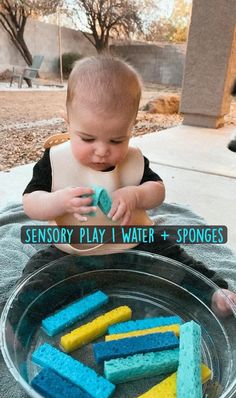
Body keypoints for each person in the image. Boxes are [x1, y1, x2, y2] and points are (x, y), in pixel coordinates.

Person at [23, 55, 236, 317]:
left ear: (130, 129)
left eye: (116, 140)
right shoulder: (56, 160)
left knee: (173, 256)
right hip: (72, 249)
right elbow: (31, 202)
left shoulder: (134, 160)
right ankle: (17, 318)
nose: (101, 151)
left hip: (134, 242)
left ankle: (214, 292)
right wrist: (58, 202)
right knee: (39, 275)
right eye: (87, 138)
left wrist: (135, 195)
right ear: (68, 123)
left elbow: (157, 190)